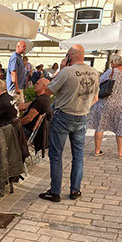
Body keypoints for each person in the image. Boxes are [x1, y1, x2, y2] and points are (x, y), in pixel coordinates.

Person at [40, 44, 99, 203]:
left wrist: (60, 69)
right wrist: (84, 108)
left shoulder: (66, 71)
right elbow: (95, 98)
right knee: (78, 155)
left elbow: (48, 91)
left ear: (70, 56)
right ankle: (75, 189)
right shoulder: (94, 72)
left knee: (56, 155)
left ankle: (55, 191)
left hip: (64, 116)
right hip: (82, 116)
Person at [90, 52, 122, 158]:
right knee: (120, 126)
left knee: (100, 126)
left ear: (117, 61)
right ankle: (121, 152)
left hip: (105, 102)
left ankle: (97, 150)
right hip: (121, 104)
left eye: (112, 60)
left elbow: (98, 82)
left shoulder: (111, 71)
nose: (111, 62)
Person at [7, 41, 27, 105]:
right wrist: (16, 87)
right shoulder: (15, 58)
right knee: (11, 106)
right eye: (23, 46)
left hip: (19, 88)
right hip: (14, 89)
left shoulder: (19, 58)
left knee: (21, 106)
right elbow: (13, 73)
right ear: (18, 46)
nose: (25, 48)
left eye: (25, 47)